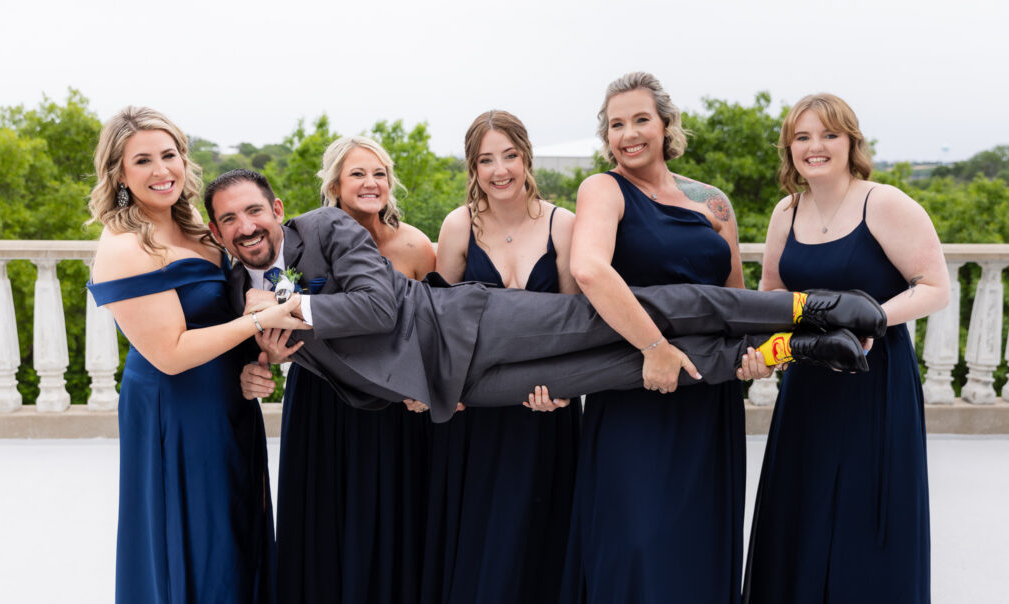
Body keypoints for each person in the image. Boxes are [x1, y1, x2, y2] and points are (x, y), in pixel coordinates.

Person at [204, 169, 882, 425]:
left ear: (277, 207)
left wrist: (288, 312)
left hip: (476, 324)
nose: (246, 226)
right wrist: (265, 363)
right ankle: (791, 348)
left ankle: (811, 307)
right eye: (230, 220)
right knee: (627, 372)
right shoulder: (238, 293)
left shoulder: (325, 229)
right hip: (447, 389)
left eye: (253, 211)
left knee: (654, 311)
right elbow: (317, 352)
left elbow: (379, 307)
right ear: (220, 231)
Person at [551, 70, 766, 604]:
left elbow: (736, 297)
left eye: (640, 119)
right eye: (615, 124)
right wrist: (654, 346)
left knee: (696, 546)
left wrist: (751, 355)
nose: (628, 134)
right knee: (636, 542)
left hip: (710, 396)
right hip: (635, 387)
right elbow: (591, 269)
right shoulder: (605, 190)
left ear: (667, 125)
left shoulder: (713, 201)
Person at [85, 106, 308, 604]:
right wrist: (263, 323)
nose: (162, 169)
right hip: (174, 409)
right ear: (118, 172)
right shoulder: (123, 245)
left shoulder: (196, 226)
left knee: (232, 524)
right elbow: (171, 352)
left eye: (169, 155)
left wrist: (259, 362)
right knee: (194, 534)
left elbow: (228, 309)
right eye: (143, 160)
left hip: (227, 401)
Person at [739, 94, 948, 604]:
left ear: (851, 142)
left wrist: (871, 320)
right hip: (807, 390)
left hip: (873, 385)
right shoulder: (786, 213)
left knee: (865, 532)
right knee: (799, 528)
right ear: (790, 149)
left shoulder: (884, 204)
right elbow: (774, 297)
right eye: (802, 138)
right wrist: (763, 355)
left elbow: (935, 286)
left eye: (828, 136)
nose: (815, 148)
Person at [243, 136, 436, 604]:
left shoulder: (417, 247)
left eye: (379, 172)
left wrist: (426, 384)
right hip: (321, 399)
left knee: (392, 512)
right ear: (334, 186)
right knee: (322, 514)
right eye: (357, 174)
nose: (370, 183)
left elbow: (434, 327)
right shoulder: (302, 245)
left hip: (396, 404)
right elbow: (268, 313)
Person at [418, 111, 581, 604]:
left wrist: (561, 395)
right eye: (485, 159)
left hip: (546, 408)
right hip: (478, 413)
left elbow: (577, 323)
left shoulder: (564, 225)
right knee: (483, 533)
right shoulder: (459, 226)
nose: (498, 169)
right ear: (473, 167)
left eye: (507, 155)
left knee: (539, 528)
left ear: (526, 157)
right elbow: (441, 323)